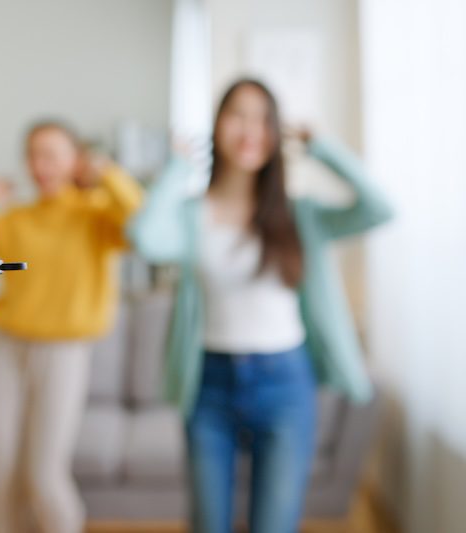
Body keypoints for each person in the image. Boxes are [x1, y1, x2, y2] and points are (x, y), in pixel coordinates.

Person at [128, 79, 393, 533]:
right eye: (237, 114)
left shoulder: (299, 214)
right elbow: (144, 237)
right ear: (217, 125)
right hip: (209, 383)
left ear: (276, 132)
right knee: (208, 524)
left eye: (262, 117)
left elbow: (379, 208)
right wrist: (176, 168)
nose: (250, 128)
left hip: (286, 383)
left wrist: (322, 148)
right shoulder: (193, 214)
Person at [0, 122, 143, 533]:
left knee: (44, 473)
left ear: (75, 160)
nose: (39, 165)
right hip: (4, 345)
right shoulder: (16, 219)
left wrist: (104, 171)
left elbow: (144, 222)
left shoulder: (98, 214)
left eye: (51, 154)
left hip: (64, 352)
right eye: (33, 154)